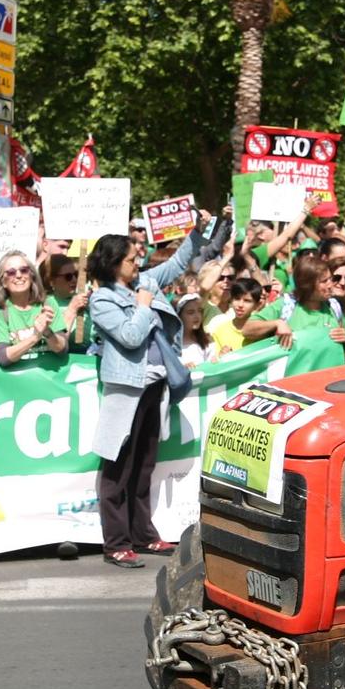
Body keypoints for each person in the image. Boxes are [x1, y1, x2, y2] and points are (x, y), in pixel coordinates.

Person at [86, 211, 220, 568]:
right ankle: (116, 542)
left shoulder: (144, 280)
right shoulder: (101, 301)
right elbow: (129, 337)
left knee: (144, 464)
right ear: (114, 264)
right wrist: (144, 307)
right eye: (130, 259)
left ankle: (143, 535)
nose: (137, 263)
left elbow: (178, 262)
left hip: (155, 386)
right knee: (118, 468)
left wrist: (199, 230)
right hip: (127, 389)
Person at [243, 251, 345, 349]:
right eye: (324, 281)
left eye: (330, 279)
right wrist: (277, 324)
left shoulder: (334, 306)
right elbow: (247, 329)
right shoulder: (286, 305)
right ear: (307, 285)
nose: (331, 285)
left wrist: (343, 336)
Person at [0, 249, 67, 367]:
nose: (19, 275)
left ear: (32, 275)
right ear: (3, 282)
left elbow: (63, 350)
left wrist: (47, 332)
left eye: (24, 270)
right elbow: (3, 358)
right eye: (11, 272)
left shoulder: (48, 303)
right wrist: (35, 337)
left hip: (49, 382)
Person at [206, 276, 259, 357]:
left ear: (256, 305)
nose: (240, 305)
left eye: (247, 301)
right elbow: (213, 361)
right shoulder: (220, 330)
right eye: (237, 299)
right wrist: (220, 356)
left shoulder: (263, 328)